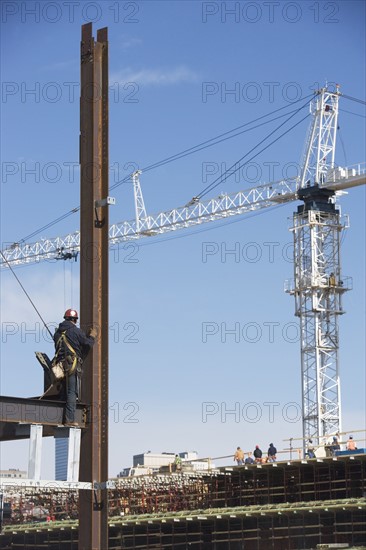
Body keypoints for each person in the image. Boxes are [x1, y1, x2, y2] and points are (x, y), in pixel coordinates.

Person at [53, 309, 96, 426]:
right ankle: (69, 420)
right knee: (72, 392)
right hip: (71, 365)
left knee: (63, 391)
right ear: (75, 320)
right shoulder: (76, 331)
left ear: (65, 318)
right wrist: (92, 337)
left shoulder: (57, 333)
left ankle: (58, 417)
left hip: (60, 366)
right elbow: (87, 343)